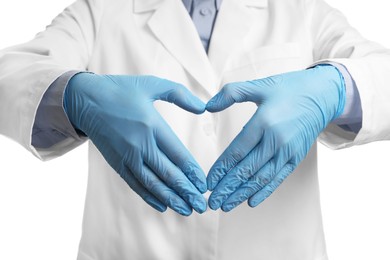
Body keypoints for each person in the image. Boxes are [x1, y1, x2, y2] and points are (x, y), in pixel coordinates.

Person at [0, 0, 389, 259]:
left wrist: (334, 88)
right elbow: (8, 74)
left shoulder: (300, 9)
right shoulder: (102, 10)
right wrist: (75, 96)